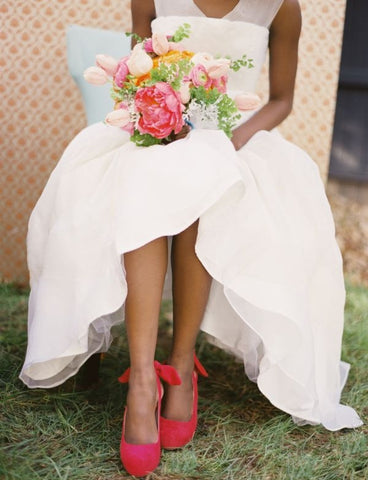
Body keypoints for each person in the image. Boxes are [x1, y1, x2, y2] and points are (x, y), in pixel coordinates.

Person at [20, 0, 362, 476]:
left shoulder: (282, 6)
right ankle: (142, 380)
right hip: (157, 133)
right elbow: (134, 78)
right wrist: (155, 118)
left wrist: (227, 143)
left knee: (209, 183)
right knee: (144, 179)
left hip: (234, 137)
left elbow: (282, 99)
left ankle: (180, 365)